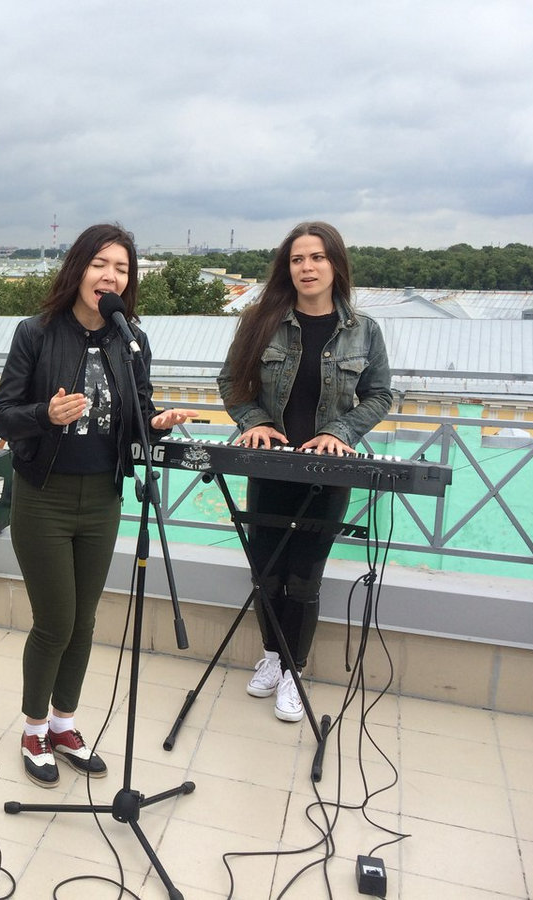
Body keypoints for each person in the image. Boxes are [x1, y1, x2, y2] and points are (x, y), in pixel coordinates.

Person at [0, 223, 197, 787]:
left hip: (103, 497)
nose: (111, 276)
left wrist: (158, 422)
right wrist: (45, 415)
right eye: (100, 264)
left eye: (122, 268)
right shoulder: (35, 332)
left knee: (84, 621)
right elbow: (2, 415)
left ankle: (64, 724)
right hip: (44, 498)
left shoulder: (130, 339)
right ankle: (33, 729)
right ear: (78, 268)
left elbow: (138, 415)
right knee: (55, 621)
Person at [217, 221, 392, 723]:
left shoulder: (363, 330)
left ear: (335, 264)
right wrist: (255, 422)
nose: (307, 268)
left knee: (304, 577)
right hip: (270, 467)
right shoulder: (260, 321)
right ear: (287, 267)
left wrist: (341, 431)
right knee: (266, 571)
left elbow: (380, 393)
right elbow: (230, 382)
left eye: (317, 258)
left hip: (328, 473)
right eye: (297, 259)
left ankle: (294, 670)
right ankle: (273, 657)